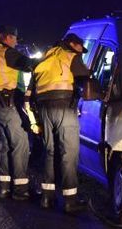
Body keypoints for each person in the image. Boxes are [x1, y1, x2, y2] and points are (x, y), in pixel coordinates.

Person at [30, 33, 90, 214]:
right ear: (73, 44)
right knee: (69, 152)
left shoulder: (46, 57)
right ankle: (70, 201)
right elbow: (86, 77)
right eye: (80, 48)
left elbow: (32, 88)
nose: (81, 52)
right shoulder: (71, 56)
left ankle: (47, 198)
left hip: (44, 109)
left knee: (50, 151)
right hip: (64, 107)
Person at [0, 25, 37, 200]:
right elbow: (29, 65)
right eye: (14, 38)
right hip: (9, 102)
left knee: (7, 146)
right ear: (7, 38)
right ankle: (21, 190)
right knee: (21, 145)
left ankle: (4, 188)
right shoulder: (6, 53)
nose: (16, 42)